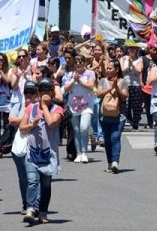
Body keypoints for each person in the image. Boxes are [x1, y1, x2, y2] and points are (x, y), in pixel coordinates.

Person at [20, 78, 64, 224]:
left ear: (52, 92)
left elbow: (51, 123)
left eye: (48, 90)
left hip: (48, 154)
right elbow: (22, 127)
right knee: (32, 181)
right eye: (42, 90)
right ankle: (30, 209)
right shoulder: (30, 108)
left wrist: (44, 106)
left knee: (45, 185)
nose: (45, 92)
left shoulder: (57, 109)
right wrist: (32, 124)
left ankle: (43, 212)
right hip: (32, 151)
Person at [8, 80, 38, 214]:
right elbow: (11, 120)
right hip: (18, 146)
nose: (29, 95)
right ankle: (26, 203)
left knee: (33, 177)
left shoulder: (40, 105)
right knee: (22, 178)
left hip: (34, 145)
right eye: (27, 92)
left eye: (32, 93)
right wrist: (26, 113)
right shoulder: (19, 104)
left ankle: (35, 204)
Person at [63, 54, 96, 163]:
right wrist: (73, 80)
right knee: (76, 130)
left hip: (87, 105)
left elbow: (91, 86)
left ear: (84, 63)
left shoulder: (90, 73)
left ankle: (84, 152)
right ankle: (78, 153)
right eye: (76, 62)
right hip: (74, 106)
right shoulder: (70, 74)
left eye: (81, 62)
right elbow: (66, 89)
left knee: (83, 128)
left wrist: (80, 81)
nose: (78, 64)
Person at [96, 59, 128, 173]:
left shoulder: (123, 81)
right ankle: (110, 162)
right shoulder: (102, 81)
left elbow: (124, 97)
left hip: (119, 115)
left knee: (115, 137)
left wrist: (116, 87)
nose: (108, 70)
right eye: (107, 68)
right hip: (104, 115)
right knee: (107, 140)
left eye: (110, 68)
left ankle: (115, 162)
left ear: (117, 69)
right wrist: (110, 88)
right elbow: (98, 94)